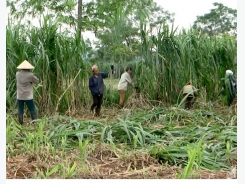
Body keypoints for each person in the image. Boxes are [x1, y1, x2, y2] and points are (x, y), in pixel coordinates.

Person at [16, 60, 39, 125]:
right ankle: (34, 122)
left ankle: (21, 123)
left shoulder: (17, 74)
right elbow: (37, 81)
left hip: (20, 95)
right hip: (28, 96)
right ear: (28, 68)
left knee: (20, 109)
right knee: (32, 109)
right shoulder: (30, 75)